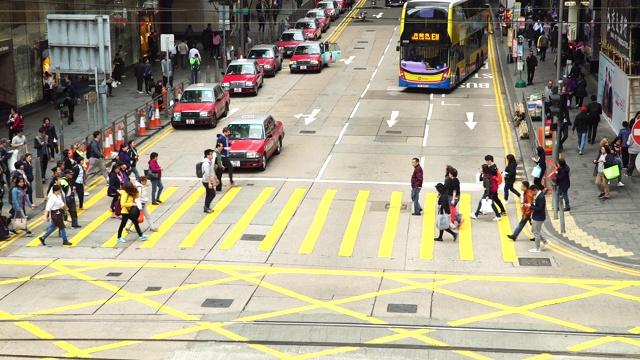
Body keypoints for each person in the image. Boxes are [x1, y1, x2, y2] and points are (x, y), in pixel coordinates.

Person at [527, 184, 550, 252]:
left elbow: (539, 208)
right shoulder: (539, 196)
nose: (531, 193)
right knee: (534, 230)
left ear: (535, 190)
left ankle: (537, 248)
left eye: (532, 192)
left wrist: (531, 207)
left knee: (536, 232)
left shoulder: (540, 197)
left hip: (539, 217)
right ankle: (545, 241)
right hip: (537, 216)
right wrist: (531, 205)